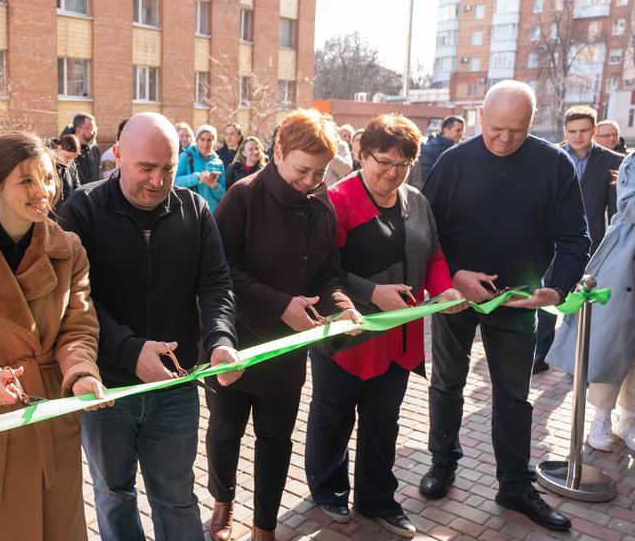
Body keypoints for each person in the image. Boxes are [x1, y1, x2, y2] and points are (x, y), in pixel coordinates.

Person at [58, 112, 239, 541]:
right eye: (146, 168)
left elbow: (216, 285)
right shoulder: (81, 210)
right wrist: (127, 349)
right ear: (118, 155)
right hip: (107, 390)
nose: (158, 181)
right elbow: (71, 299)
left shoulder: (194, 210)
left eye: (169, 168)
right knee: (113, 494)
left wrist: (220, 340)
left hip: (176, 388)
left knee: (176, 497)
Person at [421, 81, 589, 532]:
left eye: (516, 131)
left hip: (520, 300)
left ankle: (514, 483)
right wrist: (453, 276)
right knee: (446, 384)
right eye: (496, 129)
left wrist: (554, 289)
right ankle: (443, 460)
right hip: (455, 298)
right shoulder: (452, 162)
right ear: (479, 115)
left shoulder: (553, 164)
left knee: (513, 397)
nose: (503, 140)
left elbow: (576, 238)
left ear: (532, 124)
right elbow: (425, 233)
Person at [0, 132, 107, 540]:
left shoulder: (69, 250)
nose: (43, 191)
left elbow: (78, 327)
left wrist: (81, 373)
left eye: (48, 178)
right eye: (27, 180)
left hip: (47, 411)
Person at [307, 114, 465, 538]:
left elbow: (432, 255)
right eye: (383, 161)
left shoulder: (417, 200)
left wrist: (444, 290)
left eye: (403, 164)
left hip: (398, 340)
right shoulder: (336, 198)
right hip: (346, 336)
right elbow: (325, 271)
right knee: (332, 416)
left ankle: (378, 499)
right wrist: (372, 294)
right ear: (361, 154)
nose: (392, 173)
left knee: (383, 421)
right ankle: (327, 488)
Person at [209, 109, 361, 541]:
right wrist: (280, 305)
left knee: (276, 440)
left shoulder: (322, 202)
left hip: (288, 350)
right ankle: (222, 501)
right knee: (225, 432)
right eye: (301, 169)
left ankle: (265, 525)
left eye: (318, 172)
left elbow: (329, 272)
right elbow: (220, 270)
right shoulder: (244, 196)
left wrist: (342, 306)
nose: (309, 181)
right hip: (235, 341)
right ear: (278, 152)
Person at [547, 153, 635, 450]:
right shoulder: (632, 161)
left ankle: (629, 417)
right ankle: (602, 416)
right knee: (610, 340)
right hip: (624, 263)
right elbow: (629, 204)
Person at [532, 106, 621, 373]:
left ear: (594, 130)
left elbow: (615, 211)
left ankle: (577, 359)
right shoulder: (551, 157)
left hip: (592, 244)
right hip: (552, 243)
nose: (577, 136)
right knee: (549, 296)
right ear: (564, 131)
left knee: (581, 303)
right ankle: (541, 354)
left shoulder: (612, 161)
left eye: (583, 130)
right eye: (572, 131)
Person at [176, 124, 226, 212]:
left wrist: (214, 186)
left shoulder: (219, 163)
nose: (205, 143)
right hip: (189, 211)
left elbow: (223, 196)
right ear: (196, 140)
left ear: (214, 142)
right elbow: (174, 182)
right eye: (202, 139)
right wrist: (198, 177)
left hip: (211, 213)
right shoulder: (185, 157)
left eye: (209, 140)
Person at [418, 115, 465, 184]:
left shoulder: (459, 147)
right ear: (445, 130)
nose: (461, 134)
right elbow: (427, 177)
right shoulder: (431, 148)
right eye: (458, 130)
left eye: (463, 130)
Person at [66, 113, 102, 184]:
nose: (95, 132)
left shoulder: (94, 149)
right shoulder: (68, 151)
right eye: (92, 128)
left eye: (95, 128)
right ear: (79, 130)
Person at [50, 133, 82, 209]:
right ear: (59, 149)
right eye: (68, 157)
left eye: (73, 157)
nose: (70, 160)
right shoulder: (48, 166)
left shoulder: (72, 165)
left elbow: (77, 189)